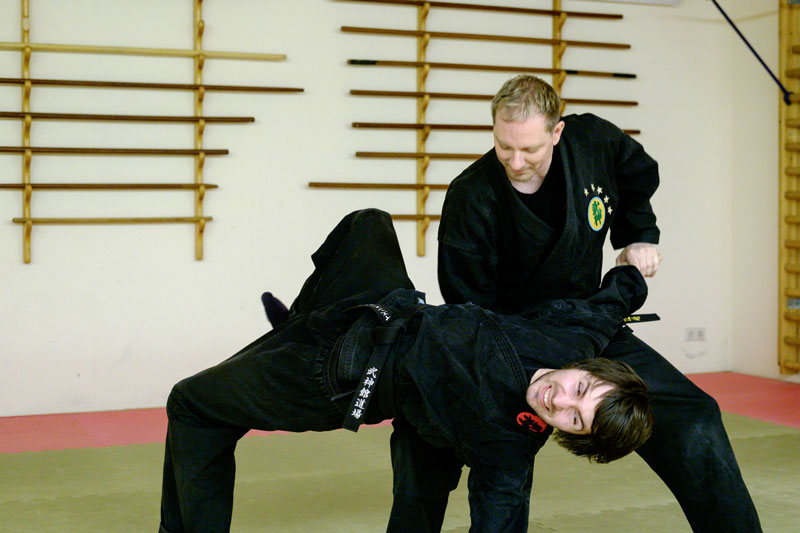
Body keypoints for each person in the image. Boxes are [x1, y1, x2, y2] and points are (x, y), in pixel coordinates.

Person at [159, 208, 654, 533]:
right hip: (383, 305)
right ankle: (297, 325)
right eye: (580, 388)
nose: (559, 399)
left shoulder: (506, 447)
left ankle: (294, 337)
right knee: (368, 225)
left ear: (571, 437)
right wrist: (634, 264)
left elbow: (501, 515)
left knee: (193, 405)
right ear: (589, 368)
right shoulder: (572, 341)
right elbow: (610, 305)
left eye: (573, 418)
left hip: (340, 373)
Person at [434, 75, 761, 532]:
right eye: (504, 146)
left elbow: (637, 174)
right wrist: (502, 369)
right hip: (514, 343)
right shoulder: (472, 196)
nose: (515, 161)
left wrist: (638, 235)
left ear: (557, 131)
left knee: (693, 413)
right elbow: (467, 303)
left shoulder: (592, 142)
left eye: (529, 149)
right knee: (503, 468)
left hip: (590, 321)